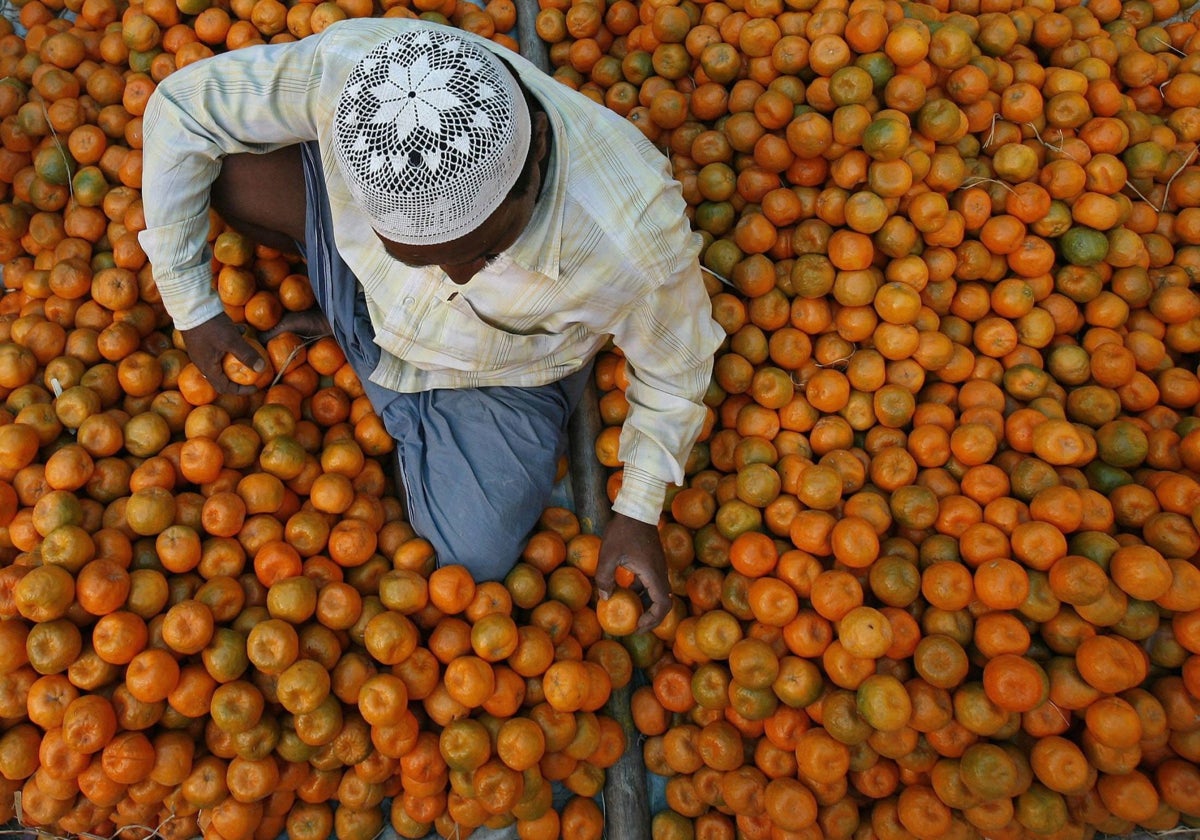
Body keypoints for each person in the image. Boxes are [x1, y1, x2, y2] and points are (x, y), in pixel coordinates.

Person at [139, 18, 723, 631]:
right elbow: (180, 108)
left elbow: (676, 368)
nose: (456, 277)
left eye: (485, 252)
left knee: (474, 552)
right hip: (364, 276)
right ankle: (357, 308)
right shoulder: (365, 75)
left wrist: (637, 509)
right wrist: (193, 307)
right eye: (420, 252)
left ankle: (366, 345)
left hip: (496, 370)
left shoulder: (633, 238)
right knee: (226, 173)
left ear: (540, 147)